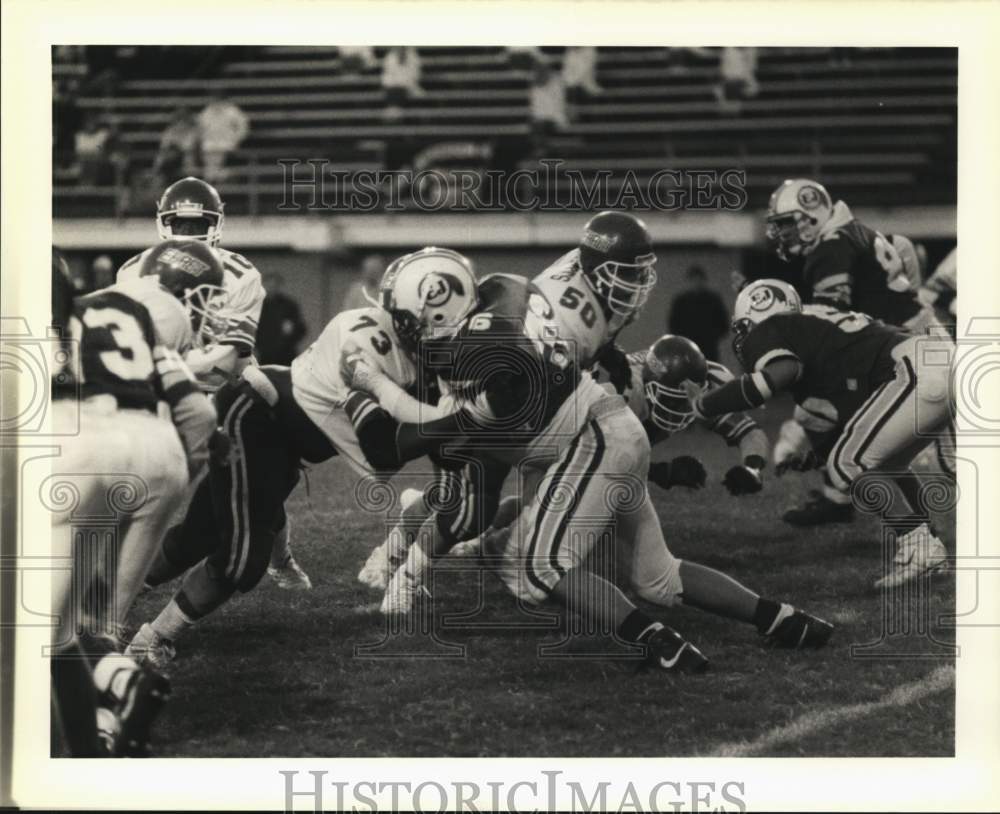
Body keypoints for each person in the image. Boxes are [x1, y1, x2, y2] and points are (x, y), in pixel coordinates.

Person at [347, 243, 833, 673]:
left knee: (540, 566)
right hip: (601, 433)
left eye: (408, 321)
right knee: (658, 578)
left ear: (434, 315)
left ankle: (656, 643)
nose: (406, 333)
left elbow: (408, 443)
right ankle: (784, 619)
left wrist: (367, 387)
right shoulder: (501, 292)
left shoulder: (489, 359)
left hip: (594, 439)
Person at [125, 247, 478, 667]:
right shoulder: (362, 346)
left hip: (280, 440)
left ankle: (105, 604)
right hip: (256, 418)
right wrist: (459, 419)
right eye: (432, 332)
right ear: (402, 317)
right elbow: (383, 454)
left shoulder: (412, 345)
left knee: (196, 538)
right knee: (241, 561)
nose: (445, 343)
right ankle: (151, 638)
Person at [50, 240, 222, 755]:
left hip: (74, 457)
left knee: (46, 629)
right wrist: (177, 480)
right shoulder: (123, 311)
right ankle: (109, 713)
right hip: (157, 454)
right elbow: (202, 416)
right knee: (84, 621)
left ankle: (110, 695)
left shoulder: (31, 323)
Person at [687, 279, 954, 589]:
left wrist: (703, 405)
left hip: (915, 371)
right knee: (886, 463)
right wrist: (813, 457)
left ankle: (921, 548)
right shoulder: (815, 330)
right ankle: (927, 543)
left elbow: (780, 372)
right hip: (932, 361)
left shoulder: (773, 327)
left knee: (848, 463)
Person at [117, 176, 311, 590]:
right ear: (163, 223)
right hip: (164, 386)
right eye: (180, 224)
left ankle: (281, 557)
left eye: (197, 224)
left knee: (266, 482)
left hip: (228, 385)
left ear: (217, 223)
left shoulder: (241, 274)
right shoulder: (133, 271)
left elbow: (229, 358)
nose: (188, 234)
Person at [667, 266, 730, 362]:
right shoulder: (681, 302)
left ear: (703, 280)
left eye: (699, 279)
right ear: (689, 281)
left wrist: (712, 335)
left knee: (710, 371)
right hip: (687, 347)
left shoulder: (713, 300)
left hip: (709, 347)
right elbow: (674, 324)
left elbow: (723, 323)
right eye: (694, 280)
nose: (696, 283)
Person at [197, 93, 249, 184]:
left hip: (226, 146)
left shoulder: (233, 111)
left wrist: (236, 141)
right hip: (209, 147)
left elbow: (243, 127)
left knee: (215, 173)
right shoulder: (207, 111)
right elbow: (200, 128)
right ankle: (213, 188)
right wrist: (203, 140)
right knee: (209, 173)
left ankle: (227, 180)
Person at [257, 273, 308, 365]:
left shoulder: (288, 305)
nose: (271, 288)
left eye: (274, 285)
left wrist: (292, 331)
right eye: (269, 285)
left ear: (279, 286)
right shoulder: (258, 306)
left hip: (286, 353)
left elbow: (301, 329)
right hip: (265, 354)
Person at [153, 108, 201, 180]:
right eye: (178, 121)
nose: (180, 124)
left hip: (187, 159)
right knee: (164, 156)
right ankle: (158, 175)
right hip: (171, 160)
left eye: (183, 121)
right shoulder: (169, 131)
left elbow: (188, 147)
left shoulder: (193, 133)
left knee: (186, 155)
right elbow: (163, 149)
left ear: (188, 122)